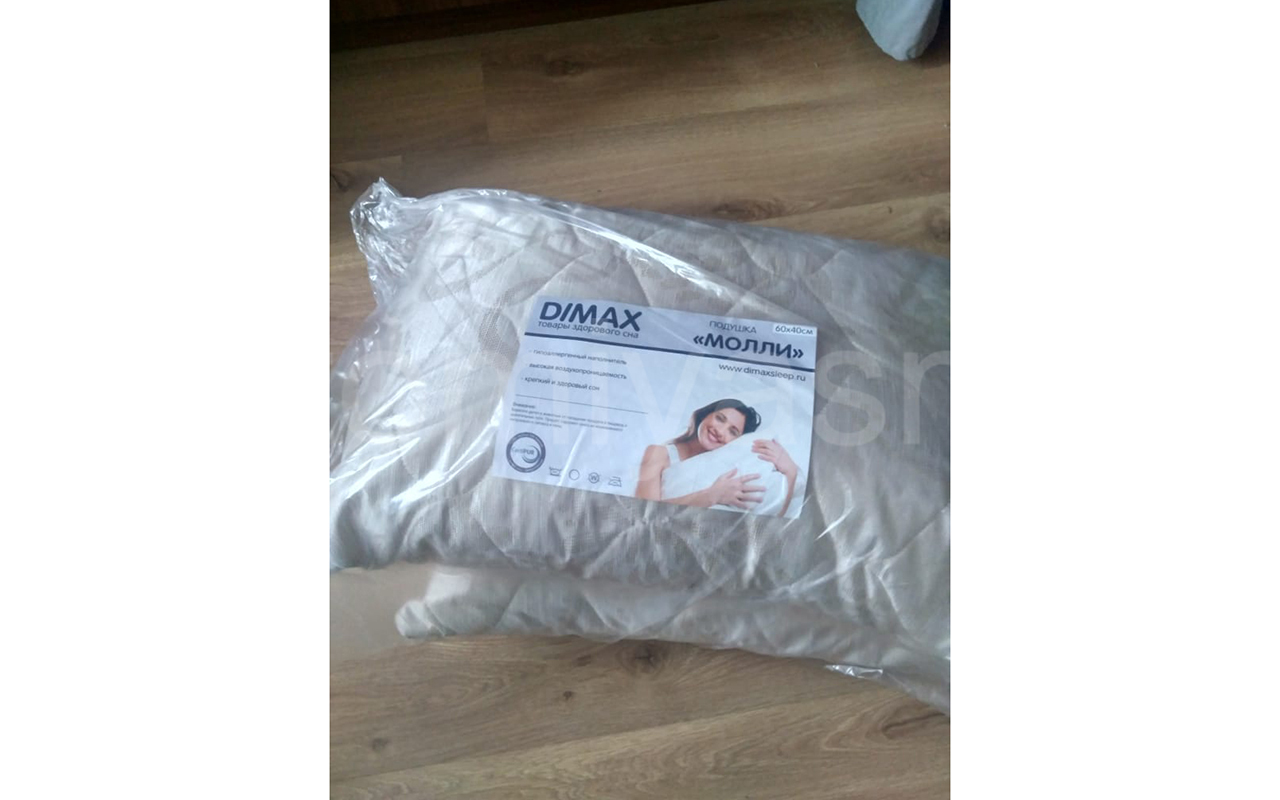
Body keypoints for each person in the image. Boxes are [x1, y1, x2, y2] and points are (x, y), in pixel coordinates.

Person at [635, 398, 800, 515]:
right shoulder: (659, 453)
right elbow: (643, 513)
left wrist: (791, 473)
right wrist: (711, 496)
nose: (720, 431)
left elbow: (770, 519)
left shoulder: (726, 472)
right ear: (705, 415)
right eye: (720, 419)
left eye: (732, 432)